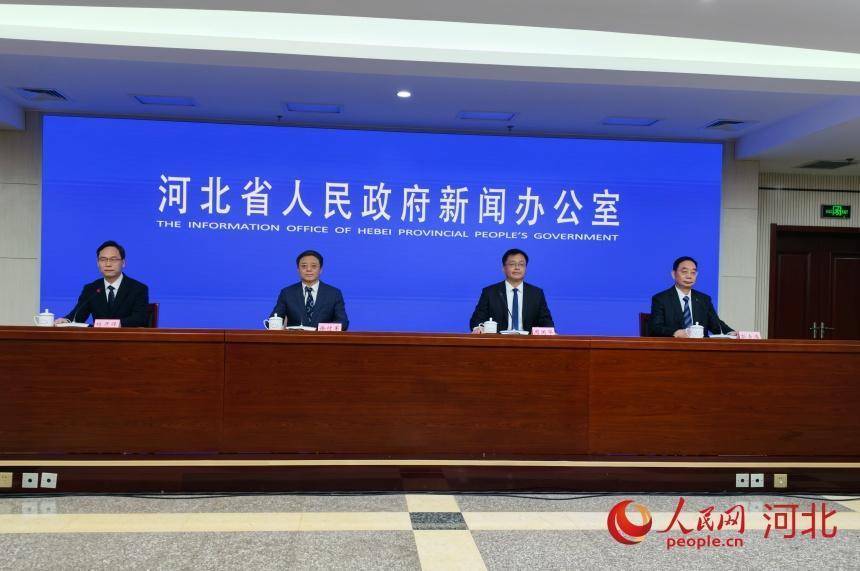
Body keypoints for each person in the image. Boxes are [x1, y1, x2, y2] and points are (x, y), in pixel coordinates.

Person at [55, 240, 150, 327]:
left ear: (123, 263)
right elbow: (77, 315)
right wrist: (66, 320)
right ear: (98, 263)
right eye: (103, 259)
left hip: (127, 338)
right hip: (97, 339)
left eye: (113, 259)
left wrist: (114, 324)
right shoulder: (91, 289)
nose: (108, 264)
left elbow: (140, 319)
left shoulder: (138, 289)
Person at [469, 248, 554, 334]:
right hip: (498, 340)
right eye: (512, 264)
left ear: (526, 269)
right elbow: (477, 320)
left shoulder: (536, 293)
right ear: (504, 268)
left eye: (521, 264)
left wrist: (549, 331)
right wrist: (478, 328)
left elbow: (546, 321)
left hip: (528, 340)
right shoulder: (490, 292)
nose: (517, 268)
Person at [648, 256, 734, 337]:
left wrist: (731, 333)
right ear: (673, 274)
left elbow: (716, 324)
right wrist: (675, 333)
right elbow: (655, 328)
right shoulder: (661, 299)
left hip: (701, 346)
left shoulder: (704, 299)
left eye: (693, 272)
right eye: (684, 272)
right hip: (674, 345)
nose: (689, 276)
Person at [269, 250, 349, 330]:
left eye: (314, 266)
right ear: (298, 270)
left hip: (323, 337)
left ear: (320, 270)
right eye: (304, 266)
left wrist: (321, 329)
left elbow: (343, 322)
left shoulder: (334, 294)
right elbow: (274, 319)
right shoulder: (287, 293)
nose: (309, 269)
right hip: (296, 337)